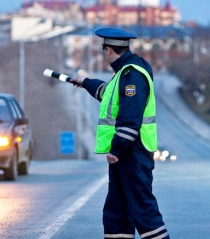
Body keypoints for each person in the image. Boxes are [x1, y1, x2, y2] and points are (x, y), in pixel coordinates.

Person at [70, 28, 170, 239]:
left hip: (132, 153)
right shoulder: (124, 73)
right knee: (117, 212)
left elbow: (130, 117)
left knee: (143, 210)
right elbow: (107, 94)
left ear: (107, 50)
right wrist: (85, 81)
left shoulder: (132, 74)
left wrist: (116, 149)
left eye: (103, 49)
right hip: (127, 155)